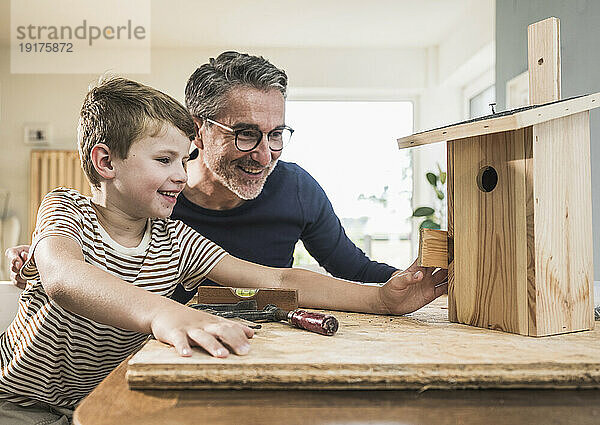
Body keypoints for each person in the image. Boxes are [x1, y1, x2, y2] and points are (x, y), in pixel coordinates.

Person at [0, 77, 446, 423]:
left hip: (101, 397)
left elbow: (278, 279)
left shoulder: (176, 241)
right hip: (18, 401)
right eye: (164, 160)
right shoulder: (66, 209)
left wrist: (383, 299)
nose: (180, 173)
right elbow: (64, 278)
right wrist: (163, 312)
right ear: (105, 162)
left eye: (183, 157)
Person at [7, 51, 416, 304]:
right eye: (246, 134)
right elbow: (91, 262)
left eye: (276, 134)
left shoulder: (296, 189)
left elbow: (346, 270)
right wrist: (43, 258)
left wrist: (405, 285)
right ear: (198, 129)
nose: (265, 153)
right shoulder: (152, 198)